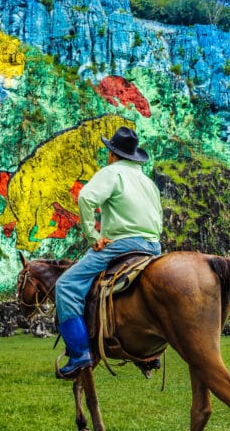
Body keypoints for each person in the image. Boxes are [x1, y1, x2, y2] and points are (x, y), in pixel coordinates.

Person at [54, 126, 163, 378]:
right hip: (153, 246)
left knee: (66, 286)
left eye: (108, 152)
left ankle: (79, 354)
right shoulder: (148, 182)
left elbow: (85, 198)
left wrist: (93, 236)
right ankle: (150, 351)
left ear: (113, 154)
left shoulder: (111, 173)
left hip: (123, 245)